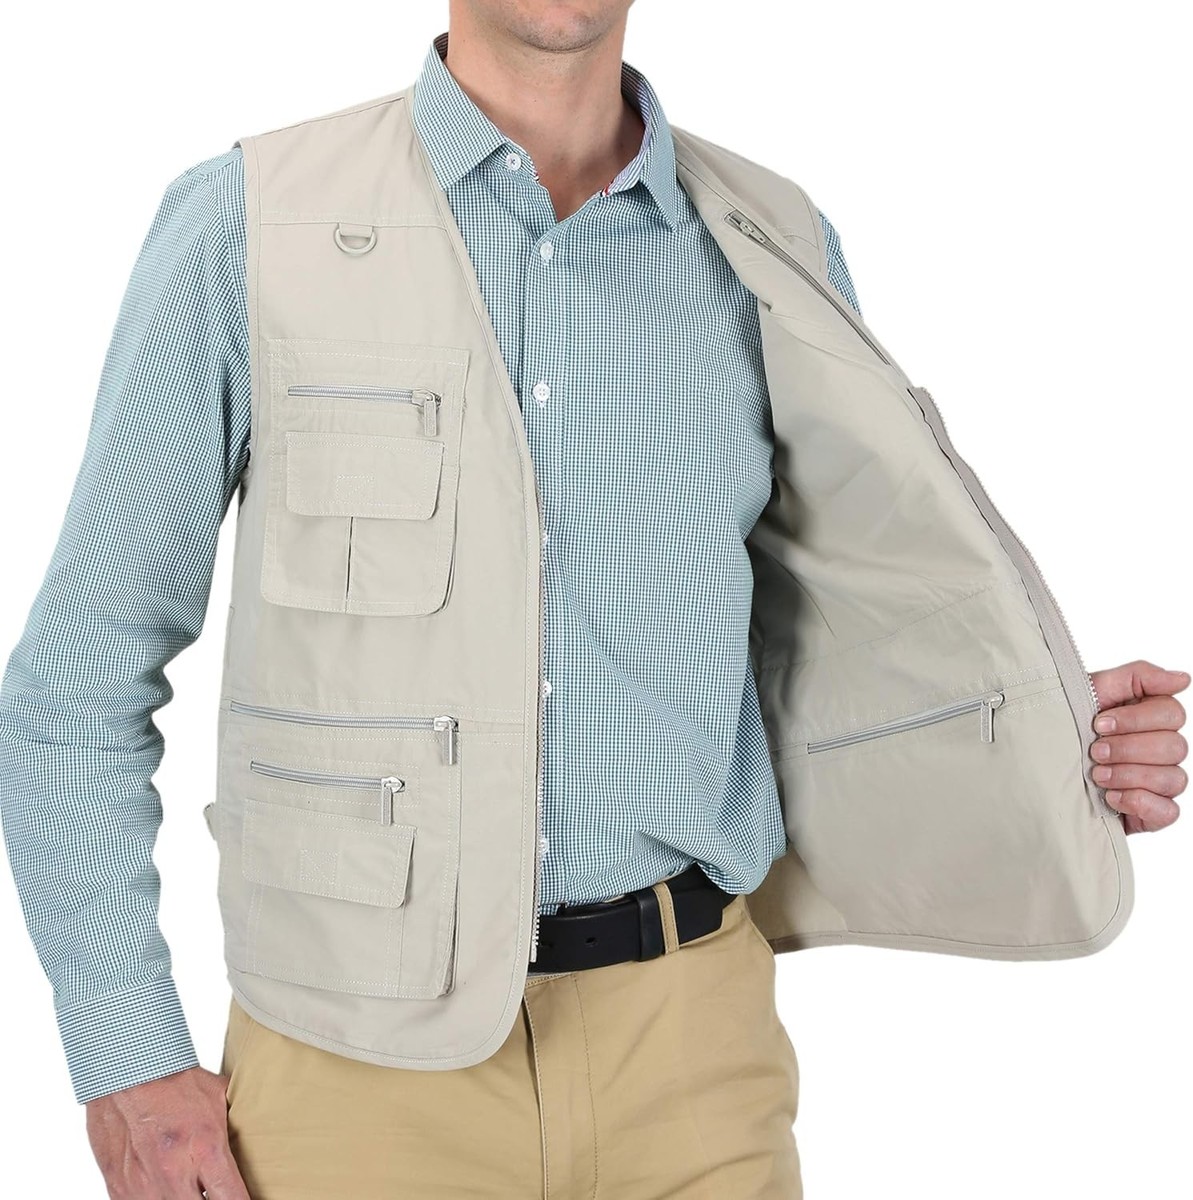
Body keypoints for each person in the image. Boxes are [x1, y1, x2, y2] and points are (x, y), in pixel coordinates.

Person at [1, 4, 1187, 1198]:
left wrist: (1031, 728)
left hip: (695, 1058)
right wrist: (130, 1063)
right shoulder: (255, 219)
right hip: (354, 1072)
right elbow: (77, 679)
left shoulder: (770, 243)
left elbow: (805, 644)